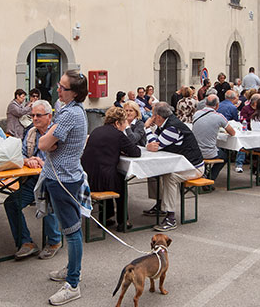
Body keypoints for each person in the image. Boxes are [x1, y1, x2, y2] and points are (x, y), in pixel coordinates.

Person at [38, 70, 89, 306]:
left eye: (63, 88)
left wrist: (48, 136)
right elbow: (49, 142)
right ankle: (71, 268)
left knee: (72, 231)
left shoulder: (69, 115)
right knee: (68, 227)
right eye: (59, 85)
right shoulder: (67, 110)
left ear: (75, 93)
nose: (58, 90)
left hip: (64, 179)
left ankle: (73, 283)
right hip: (61, 176)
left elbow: (44, 143)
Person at [3, 100, 63, 260]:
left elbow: (64, 161)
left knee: (47, 198)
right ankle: (26, 242)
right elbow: (20, 154)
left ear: (49, 116)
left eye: (38, 115)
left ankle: (54, 241)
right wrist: (26, 160)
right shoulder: (31, 132)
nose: (34, 118)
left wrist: (43, 163)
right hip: (33, 180)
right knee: (11, 203)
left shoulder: (58, 133)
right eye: (33, 115)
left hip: (53, 179)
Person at [143, 103, 205, 232]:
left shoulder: (173, 128)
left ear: (158, 117)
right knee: (154, 171)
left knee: (170, 177)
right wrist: (152, 142)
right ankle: (160, 204)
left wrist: (147, 128)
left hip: (194, 167)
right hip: (180, 164)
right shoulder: (167, 124)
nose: (152, 118)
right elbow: (155, 143)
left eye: (153, 116)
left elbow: (156, 145)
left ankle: (170, 217)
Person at [81, 107, 141, 231]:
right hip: (102, 180)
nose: (125, 125)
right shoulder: (118, 134)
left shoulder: (96, 130)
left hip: (87, 177)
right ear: (117, 123)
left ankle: (106, 216)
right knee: (120, 181)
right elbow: (136, 152)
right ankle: (123, 221)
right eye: (124, 122)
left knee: (110, 175)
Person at [192, 95, 235, 189]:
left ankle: (205, 175)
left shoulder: (197, 114)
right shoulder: (219, 117)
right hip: (209, 152)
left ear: (206, 103)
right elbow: (232, 132)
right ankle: (210, 178)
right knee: (225, 156)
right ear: (217, 105)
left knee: (217, 149)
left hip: (196, 151)